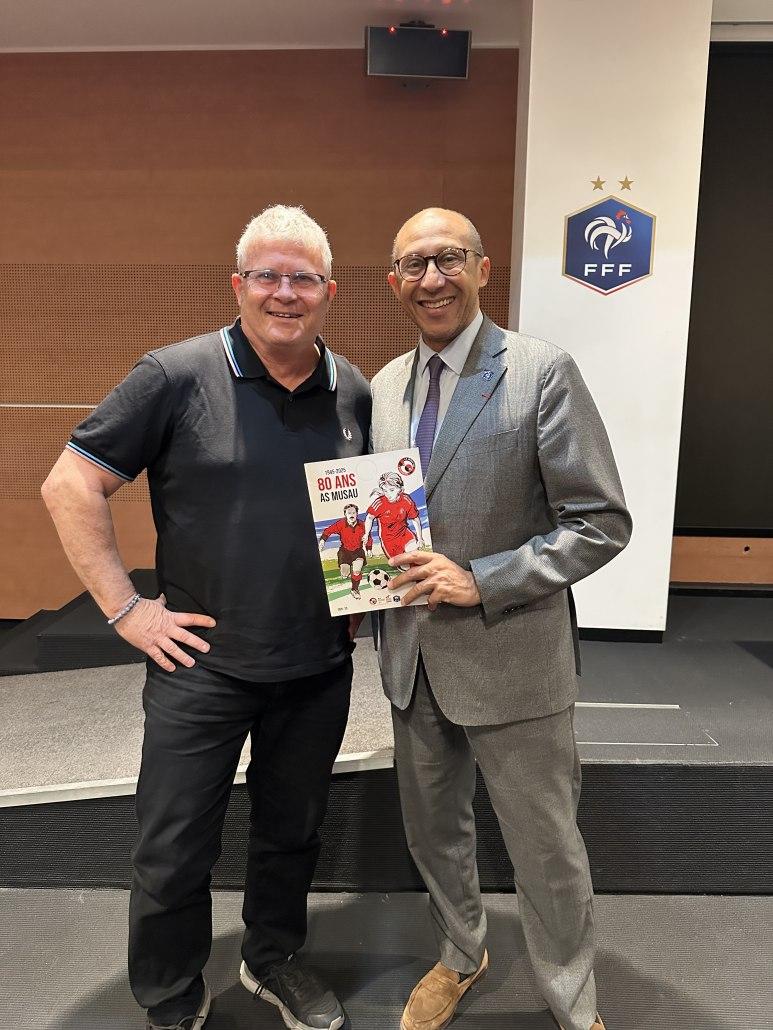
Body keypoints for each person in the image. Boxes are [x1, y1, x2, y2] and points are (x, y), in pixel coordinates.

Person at [41, 205, 371, 1030]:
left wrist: (361, 598)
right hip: (200, 670)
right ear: (238, 285)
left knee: (292, 837)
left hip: (318, 667)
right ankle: (169, 997)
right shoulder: (174, 375)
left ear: (329, 292)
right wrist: (125, 609)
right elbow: (69, 483)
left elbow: (364, 510)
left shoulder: (354, 389)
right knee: (172, 850)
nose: (284, 293)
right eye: (267, 274)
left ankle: (272, 962)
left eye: (302, 278)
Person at [369, 207, 632, 1030]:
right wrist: (362, 587)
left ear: (483, 268)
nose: (431, 278)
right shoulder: (382, 387)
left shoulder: (540, 372)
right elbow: (380, 522)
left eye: (447, 259)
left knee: (546, 851)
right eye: (413, 265)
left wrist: (482, 580)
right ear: (393, 283)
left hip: (511, 657)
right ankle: (459, 954)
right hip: (409, 659)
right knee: (434, 837)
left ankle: (572, 997)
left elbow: (599, 521)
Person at [363, 471, 424, 562]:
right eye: (385, 490)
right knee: (404, 566)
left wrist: (420, 538)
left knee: (414, 557)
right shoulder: (379, 503)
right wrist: (366, 534)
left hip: (404, 534)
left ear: (400, 489)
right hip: (388, 540)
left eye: (391, 490)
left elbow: (415, 519)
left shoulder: (406, 500)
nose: (388, 494)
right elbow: (369, 517)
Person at [319, 503, 371, 599]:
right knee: (345, 573)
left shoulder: (363, 525)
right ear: (345, 514)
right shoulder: (341, 524)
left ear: (357, 514)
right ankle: (346, 573)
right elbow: (328, 530)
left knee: (356, 571)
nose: (351, 514)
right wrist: (322, 540)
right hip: (344, 552)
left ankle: (354, 589)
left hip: (358, 551)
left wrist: (368, 549)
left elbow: (368, 537)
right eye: (349, 513)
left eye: (353, 512)